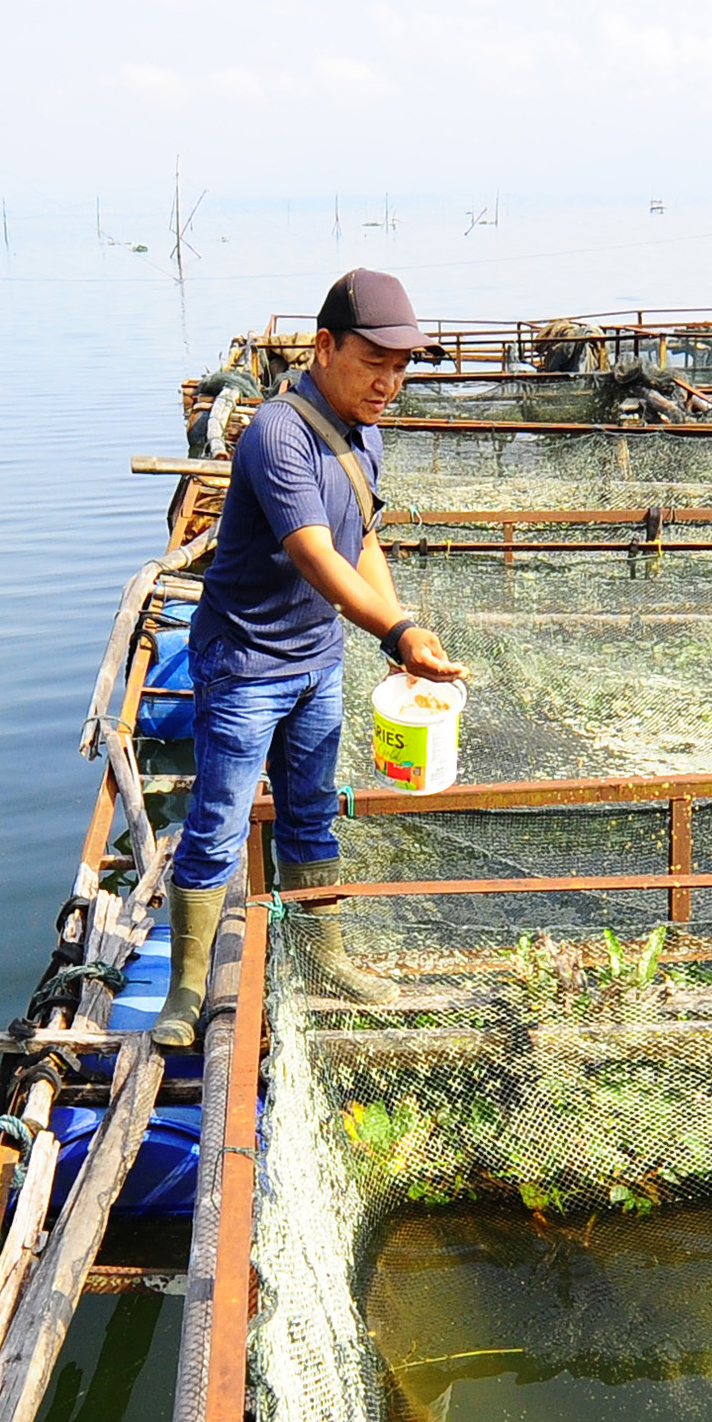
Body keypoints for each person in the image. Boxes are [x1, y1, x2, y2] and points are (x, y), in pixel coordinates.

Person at [155, 269, 465, 1050]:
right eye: (375, 363)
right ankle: (187, 989)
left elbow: (362, 541)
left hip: (318, 660)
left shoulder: (367, 432)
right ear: (325, 348)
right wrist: (395, 637)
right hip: (245, 664)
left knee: (310, 812)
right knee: (219, 824)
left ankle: (325, 963)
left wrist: (402, 628)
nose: (388, 383)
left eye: (400, 368)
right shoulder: (277, 433)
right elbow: (316, 556)